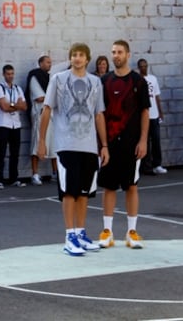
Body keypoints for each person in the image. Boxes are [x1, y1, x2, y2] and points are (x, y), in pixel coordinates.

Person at [37, 43, 109, 256]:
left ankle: (80, 233)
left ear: (87, 59)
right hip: (66, 144)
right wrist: (41, 140)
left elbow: (99, 114)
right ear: (70, 59)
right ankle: (69, 236)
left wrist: (104, 145)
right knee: (69, 192)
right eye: (74, 55)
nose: (77, 58)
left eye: (81, 55)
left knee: (84, 193)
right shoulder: (58, 80)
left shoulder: (95, 82)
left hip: (89, 146)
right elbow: (47, 109)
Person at [97, 40, 150, 249]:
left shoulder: (138, 82)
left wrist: (143, 140)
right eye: (113, 52)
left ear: (128, 55)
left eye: (119, 52)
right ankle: (107, 231)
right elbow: (99, 114)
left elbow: (145, 112)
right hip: (109, 142)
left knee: (131, 186)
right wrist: (102, 144)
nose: (115, 55)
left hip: (132, 142)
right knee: (109, 187)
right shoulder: (105, 81)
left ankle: (131, 232)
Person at [0, 64, 27, 189]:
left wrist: (13, 105)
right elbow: (4, 107)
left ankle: (14, 178)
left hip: (15, 124)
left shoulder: (18, 88)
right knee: (1, 152)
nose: (10, 76)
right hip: (2, 124)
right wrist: (15, 104)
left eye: (12, 74)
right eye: (8, 74)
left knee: (15, 152)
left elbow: (24, 106)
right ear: (3, 74)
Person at [26, 55, 55, 185]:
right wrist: (51, 97)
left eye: (50, 62)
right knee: (37, 144)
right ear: (40, 63)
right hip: (39, 114)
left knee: (54, 144)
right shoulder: (34, 77)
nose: (50, 64)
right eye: (47, 62)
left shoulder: (50, 78)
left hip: (51, 115)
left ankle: (55, 173)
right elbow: (39, 97)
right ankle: (35, 174)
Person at [137, 58, 167, 175]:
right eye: (142, 66)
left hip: (154, 115)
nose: (144, 68)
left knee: (156, 140)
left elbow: (156, 97)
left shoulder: (153, 78)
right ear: (139, 68)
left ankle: (157, 164)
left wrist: (160, 112)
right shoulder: (138, 79)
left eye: (145, 66)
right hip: (143, 116)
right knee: (145, 142)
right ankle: (147, 167)